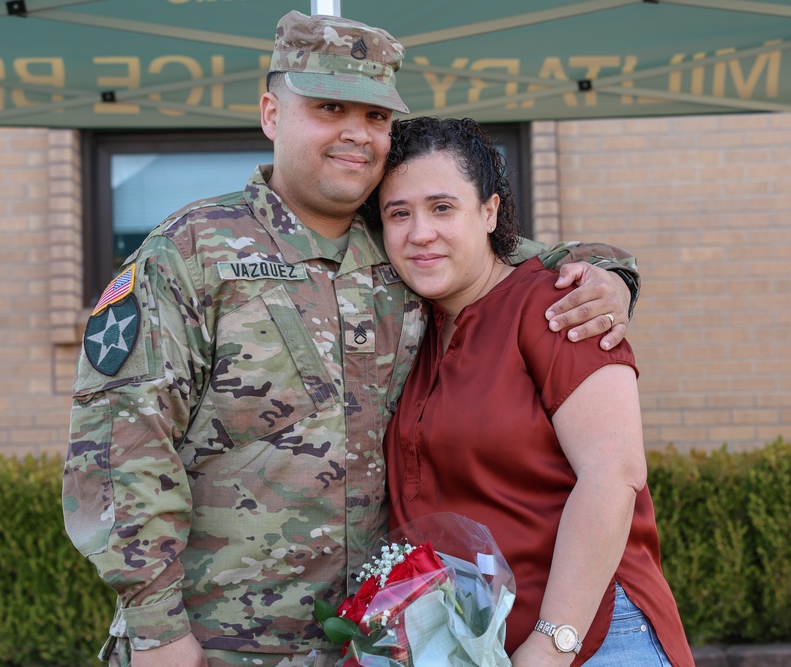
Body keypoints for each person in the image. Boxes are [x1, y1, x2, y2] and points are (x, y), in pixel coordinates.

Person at [62, 12, 640, 667]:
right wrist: (157, 630)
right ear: (272, 112)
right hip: (216, 646)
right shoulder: (190, 253)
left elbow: (516, 258)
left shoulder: (403, 246)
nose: (355, 134)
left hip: (375, 645)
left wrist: (609, 274)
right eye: (330, 107)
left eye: (374, 116)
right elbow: (119, 449)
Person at [380, 117, 694, 667]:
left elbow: (614, 476)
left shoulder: (562, 302)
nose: (419, 232)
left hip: (592, 636)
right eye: (398, 213)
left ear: (490, 212)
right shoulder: (412, 330)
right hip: (478, 646)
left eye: (442, 207)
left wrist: (550, 646)